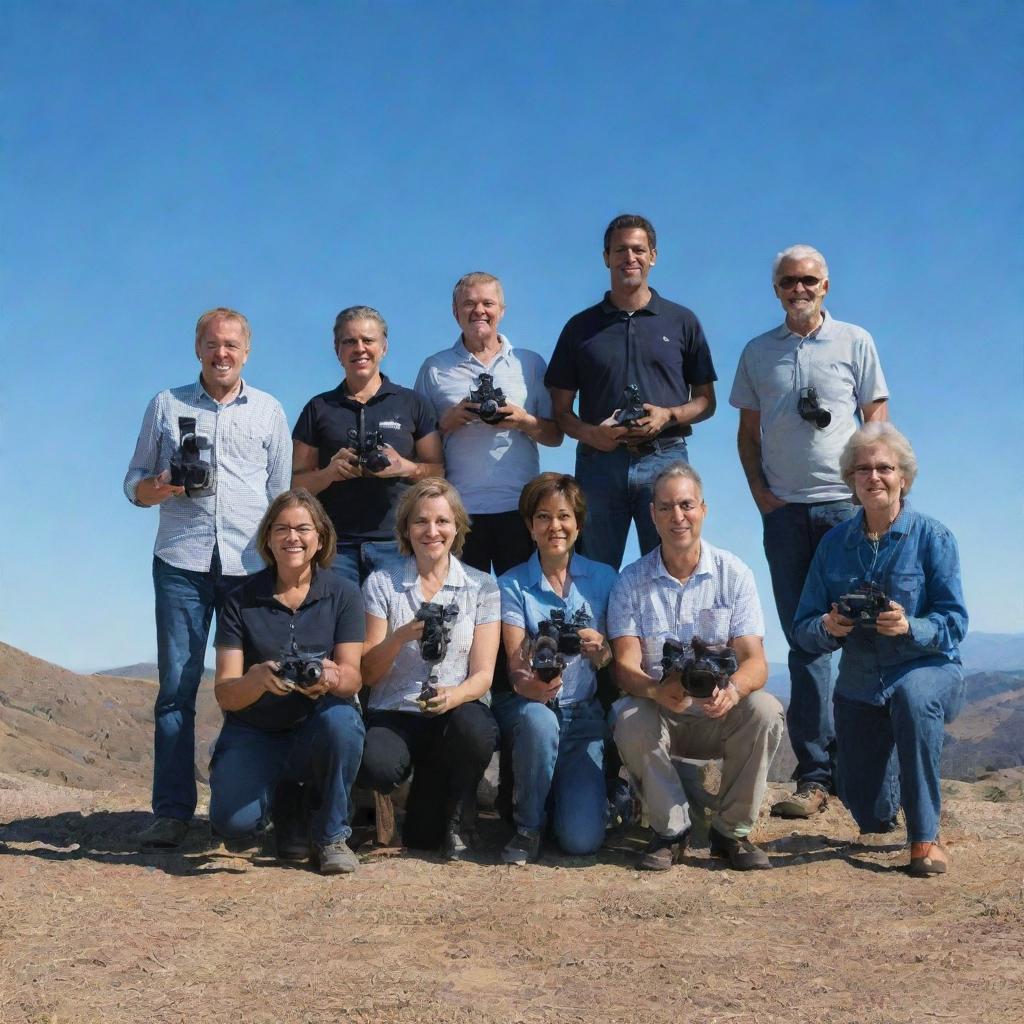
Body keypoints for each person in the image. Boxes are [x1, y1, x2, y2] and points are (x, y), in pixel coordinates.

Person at [730, 244, 889, 819]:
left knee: (865, 633)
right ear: (775, 289)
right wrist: (760, 494)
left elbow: (877, 415)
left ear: (826, 286)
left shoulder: (856, 341)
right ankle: (816, 775)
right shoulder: (757, 352)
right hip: (785, 514)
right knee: (806, 641)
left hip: (845, 511)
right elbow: (748, 433)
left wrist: (866, 489)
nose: (799, 289)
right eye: (788, 281)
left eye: (809, 280)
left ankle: (869, 775)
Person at [123, 307, 291, 850]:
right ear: (198, 348)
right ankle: (172, 812)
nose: (222, 353)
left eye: (232, 345)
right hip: (181, 563)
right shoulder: (165, 406)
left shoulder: (269, 411)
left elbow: (281, 498)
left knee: (258, 685)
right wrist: (166, 484)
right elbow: (133, 487)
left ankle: (252, 804)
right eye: (213, 344)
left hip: (250, 567)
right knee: (176, 689)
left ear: (247, 351)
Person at [792, 423, 967, 877]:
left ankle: (925, 839)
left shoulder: (934, 538)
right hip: (861, 682)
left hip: (927, 669)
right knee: (870, 817)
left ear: (903, 477)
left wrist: (911, 625)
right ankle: (891, 779)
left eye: (885, 468)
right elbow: (803, 629)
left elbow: (955, 622)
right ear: (851, 479)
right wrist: (830, 626)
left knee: (913, 699)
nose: (875, 477)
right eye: (864, 468)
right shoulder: (833, 546)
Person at [608, 463, 784, 871]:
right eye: (666, 507)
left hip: (717, 713)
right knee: (629, 715)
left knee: (765, 710)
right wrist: (654, 689)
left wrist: (734, 690)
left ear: (703, 509)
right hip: (662, 714)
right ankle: (670, 831)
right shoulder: (630, 582)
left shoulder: (734, 574)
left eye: (686, 505)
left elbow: (755, 661)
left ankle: (730, 833)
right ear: (651, 514)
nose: (677, 516)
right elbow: (624, 666)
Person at [545, 214, 717, 570]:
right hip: (598, 465)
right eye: (620, 249)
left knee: (673, 565)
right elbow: (560, 411)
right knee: (591, 569)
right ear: (606, 256)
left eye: (639, 249)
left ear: (653, 255)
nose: (630, 257)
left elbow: (706, 401)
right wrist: (593, 434)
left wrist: (668, 415)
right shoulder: (580, 327)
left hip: (665, 458)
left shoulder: (682, 321)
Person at [208, 489, 366, 874]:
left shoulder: (343, 594)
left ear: (321, 538)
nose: (292, 537)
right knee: (233, 825)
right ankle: (283, 802)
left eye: (302, 528)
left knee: (342, 722)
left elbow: (353, 677)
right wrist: (258, 679)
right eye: (281, 529)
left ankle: (332, 835)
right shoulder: (239, 600)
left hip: (316, 724)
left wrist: (330, 677)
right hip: (257, 729)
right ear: (267, 539)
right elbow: (226, 693)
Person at [359, 479, 500, 859]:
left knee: (477, 731)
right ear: (406, 528)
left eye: (442, 521)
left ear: (457, 527)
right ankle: (401, 799)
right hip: (396, 712)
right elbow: (368, 674)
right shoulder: (381, 583)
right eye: (421, 521)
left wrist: (453, 696)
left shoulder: (482, 586)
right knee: (377, 764)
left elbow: (484, 675)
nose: (432, 531)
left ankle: (459, 812)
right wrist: (399, 636)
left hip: (452, 713)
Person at [494, 474, 619, 863]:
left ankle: (613, 802)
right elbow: (515, 664)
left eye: (564, 516)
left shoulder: (604, 579)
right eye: (543, 517)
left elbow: (612, 659)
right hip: (532, 709)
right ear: (530, 527)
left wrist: (601, 651)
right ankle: (528, 827)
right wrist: (529, 681)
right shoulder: (512, 584)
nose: (555, 527)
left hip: (582, 717)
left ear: (578, 524)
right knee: (538, 722)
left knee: (581, 841)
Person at [415, 272, 563, 576]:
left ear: (502, 311)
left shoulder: (530, 364)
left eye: (487, 303)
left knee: (521, 607)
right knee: (464, 613)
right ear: (456, 312)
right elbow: (417, 443)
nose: (478, 310)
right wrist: (447, 422)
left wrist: (523, 420)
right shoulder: (435, 368)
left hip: (520, 508)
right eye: (469, 303)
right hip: (458, 510)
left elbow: (555, 435)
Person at [292, 305, 443, 585]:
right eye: (350, 341)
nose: (359, 348)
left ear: (383, 347)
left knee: (397, 629)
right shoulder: (318, 407)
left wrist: (404, 467)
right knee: (341, 629)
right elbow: (294, 484)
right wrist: (329, 473)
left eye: (368, 340)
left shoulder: (413, 404)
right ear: (338, 350)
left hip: (397, 543)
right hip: (336, 548)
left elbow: (440, 473)